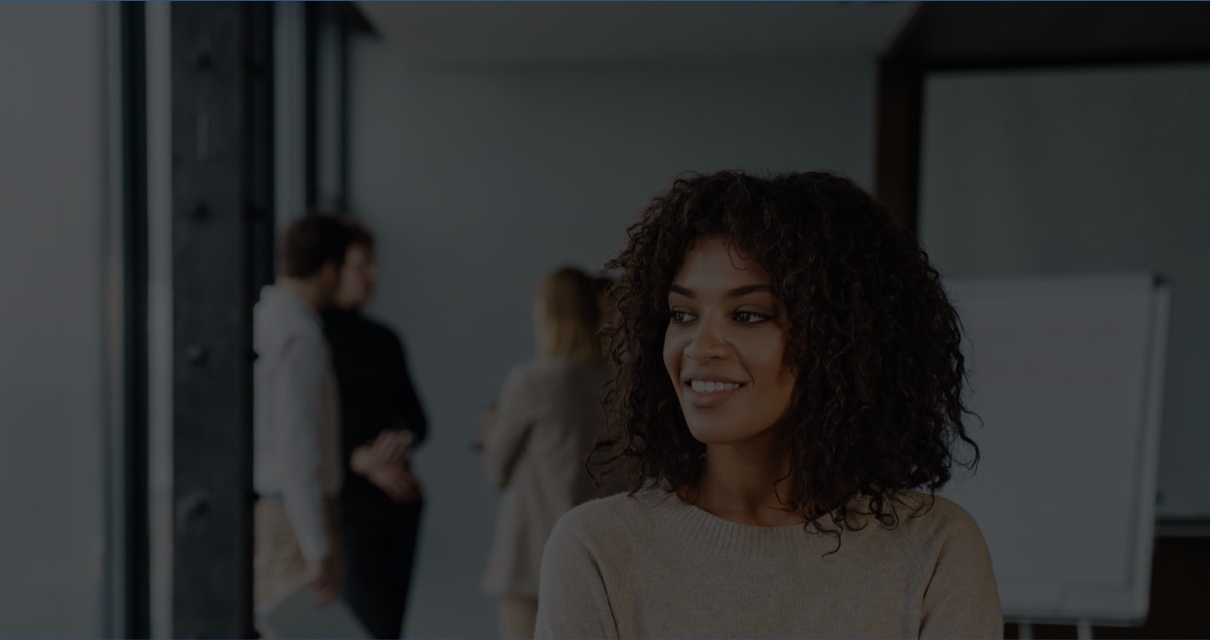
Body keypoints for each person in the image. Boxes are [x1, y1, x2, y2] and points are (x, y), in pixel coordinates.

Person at [536, 171, 1002, 639]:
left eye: (747, 315)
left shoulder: (934, 549)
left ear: (839, 340)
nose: (700, 347)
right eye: (683, 315)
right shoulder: (598, 548)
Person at [478, 266, 610, 640]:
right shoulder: (613, 380)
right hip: (590, 550)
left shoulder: (532, 379)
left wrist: (491, 432)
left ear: (548, 312)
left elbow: (496, 471)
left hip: (528, 556)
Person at [320, 216, 429, 639]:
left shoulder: (385, 339)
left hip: (396, 506)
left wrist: (399, 441)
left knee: (385, 629)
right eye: (361, 263)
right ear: (333, 269)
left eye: (373, 263)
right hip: (344, 507)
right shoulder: (311, 339)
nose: (373, 275)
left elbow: (418, 420)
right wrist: (360, 460)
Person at [253, 214, 357, 615]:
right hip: (296, 519)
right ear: (330, 270)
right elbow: (297, 450)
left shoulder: (265, 318)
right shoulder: (300, 336)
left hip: (278, 512)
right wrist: (317, 546)